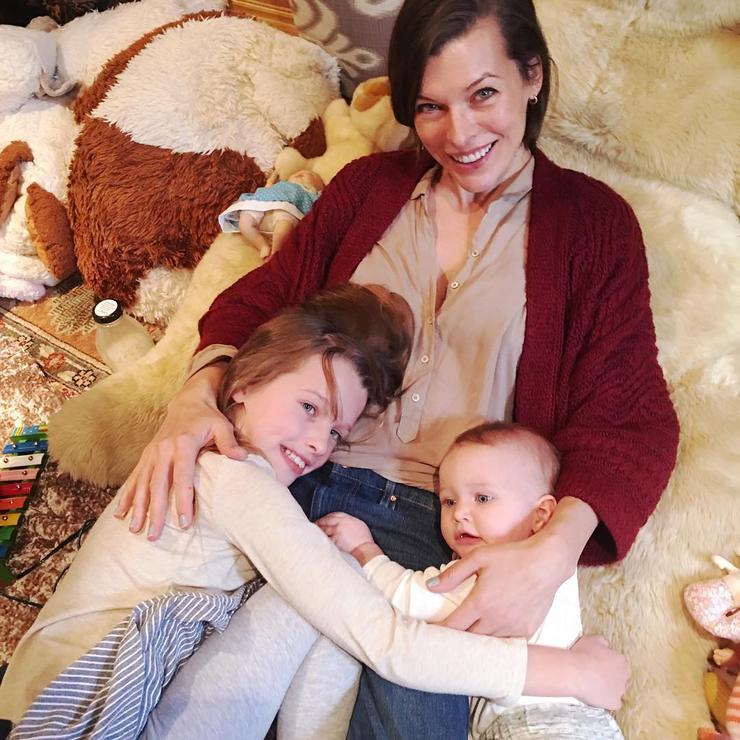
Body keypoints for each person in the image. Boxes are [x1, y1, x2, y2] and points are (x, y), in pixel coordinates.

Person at [116, 0, 679, 736]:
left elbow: (630, 420)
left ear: (532, 76)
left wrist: (549, 553)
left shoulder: (594, 224)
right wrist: (197, 393)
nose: (460, 134)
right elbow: (262, 300)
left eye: (483, 94)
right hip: (290, 471)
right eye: (431, 107)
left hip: (433, 528)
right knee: (165, 673)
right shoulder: (366, 189)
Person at [0, 286, 626, 739]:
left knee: (325, 594)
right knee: (333, 590)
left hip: (80, 694)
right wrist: (569, 673)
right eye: (308, 407)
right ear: (241, 383)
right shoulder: (232, 478)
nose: (317, 444)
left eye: (335, 430)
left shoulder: (222, 467)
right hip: (80, 710)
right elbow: (389, 643)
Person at [318, 421, 623, 739]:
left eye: (483, 498)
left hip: (528, 725)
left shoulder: (490, 571)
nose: (460, 513)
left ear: (541, 515)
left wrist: (365, 551)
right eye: (449, 501)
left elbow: (409, 599)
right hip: (588, 720)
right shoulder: (560, 566)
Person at [218, 169, 324, 260]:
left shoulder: (310, 194)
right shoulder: (280, 185)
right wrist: (272, 177)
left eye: (311, 175)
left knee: (283, 228)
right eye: (298, 173)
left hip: (286, 209)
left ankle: (275, 252)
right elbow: (268, 186)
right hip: (261, 204)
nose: (301, 173)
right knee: (244, 222)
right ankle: (262, 245)